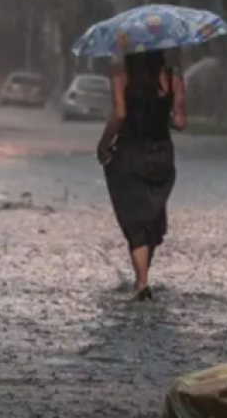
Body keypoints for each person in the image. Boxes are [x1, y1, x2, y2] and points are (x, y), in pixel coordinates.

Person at [96, 45, 186, 301]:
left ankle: (141, 282)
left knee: (134, 217)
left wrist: (103, 145)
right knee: (152, 217)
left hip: (130, 153)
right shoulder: (172, 77)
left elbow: (120, 114)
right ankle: (143, 276)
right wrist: (158, 114)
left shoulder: (120, 75)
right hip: (162, 155)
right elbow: (180, 122)